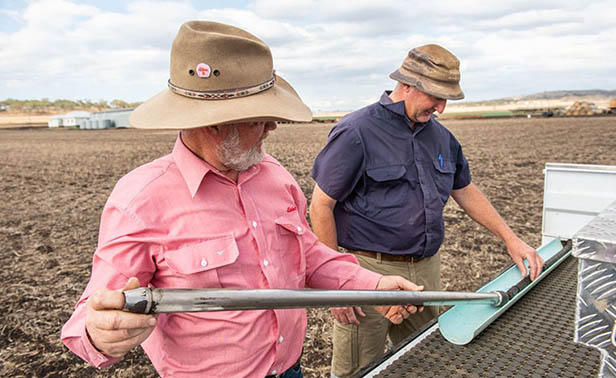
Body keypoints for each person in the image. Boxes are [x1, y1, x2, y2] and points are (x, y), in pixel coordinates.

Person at [60, 21, 425, 378]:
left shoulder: (274, 176)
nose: (272, 127)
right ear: (214, 123)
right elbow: (89, 319)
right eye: (260, 118)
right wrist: (100, 332)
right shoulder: (140, 200)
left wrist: (372, 285)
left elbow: (307, 255)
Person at [309, 44, 546, 377]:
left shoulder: (442, 138)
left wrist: (511, 238)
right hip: (368, 274)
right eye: (436, 97)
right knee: (358, 369)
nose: (442, 108)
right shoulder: (356, 132)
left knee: (423, 361)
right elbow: (321, 204)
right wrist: (337, 285)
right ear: (407, 85)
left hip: (425, 273)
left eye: (447, 99)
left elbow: (464, 189)